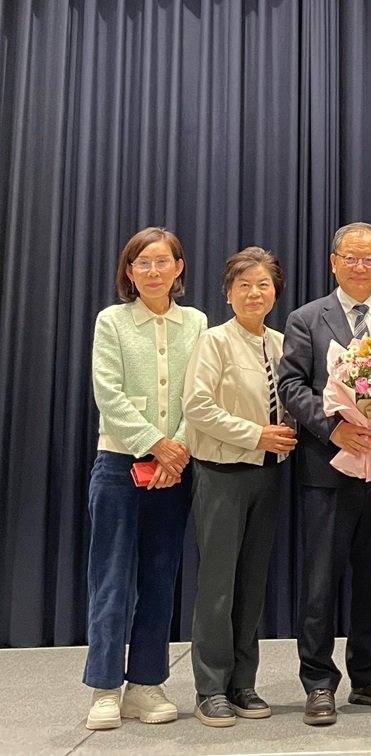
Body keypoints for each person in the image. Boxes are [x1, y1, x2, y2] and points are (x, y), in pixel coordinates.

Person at [277, 222, 371, 726]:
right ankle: (317, 681)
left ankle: (369, 675)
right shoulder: (306, 318)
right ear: (333, 262)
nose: (361, 266)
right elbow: (291, 385)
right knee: (320, 583)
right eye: (351, 258)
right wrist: (332, 428)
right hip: (327, 470)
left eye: (370, 258)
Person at [84, 227, 207, 730]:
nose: (153, 271)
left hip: (176, 469)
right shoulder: (112, 321)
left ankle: (146, 684)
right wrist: (155, 445)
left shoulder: (196, 322)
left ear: (179, 268)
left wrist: (175, 450)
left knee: (160, 578)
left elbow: (200, 392)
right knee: (112, 579)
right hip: (118, 465)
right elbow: (107, 394)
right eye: (142, 263)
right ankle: (105, 687)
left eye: (163, 262)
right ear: (129, 272)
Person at [182, 248, 296, 727]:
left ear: (275, 293)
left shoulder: (282, 341)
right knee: (218, 587)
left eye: (264, 285)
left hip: (267, 476)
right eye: (244, 285)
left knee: (251, 585)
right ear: (228, 293)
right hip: (223, 474)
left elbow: (290, 399)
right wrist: (258, 434)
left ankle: (242, 682)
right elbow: (197, 406)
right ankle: (210, 687)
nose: (255, 293)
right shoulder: (214, 341)